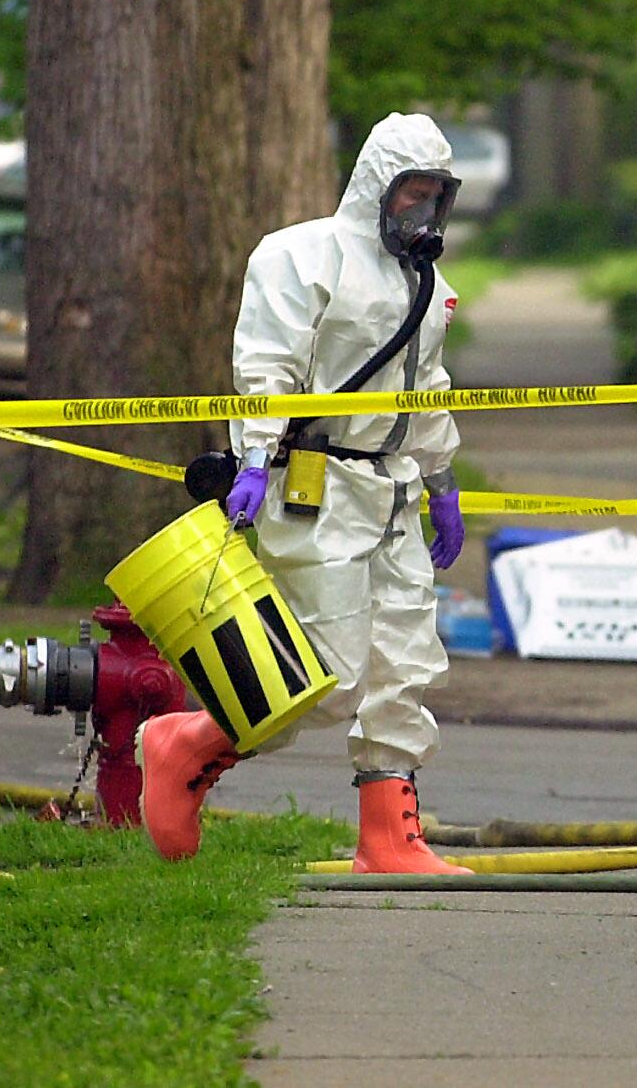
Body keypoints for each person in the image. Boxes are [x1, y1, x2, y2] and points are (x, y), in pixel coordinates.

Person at [136, 113, 471, 876]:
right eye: (410, 191)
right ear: (377, 186)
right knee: (328, 670)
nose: (421, 210)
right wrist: (255, 453)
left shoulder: (427, 283)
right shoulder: (301, 255)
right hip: (314, 483)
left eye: (435, 195)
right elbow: (267, 361)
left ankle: (389, 838)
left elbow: (424, 388)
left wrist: (441, 473)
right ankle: (187, 743)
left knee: (404, 663)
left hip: (393, 488)